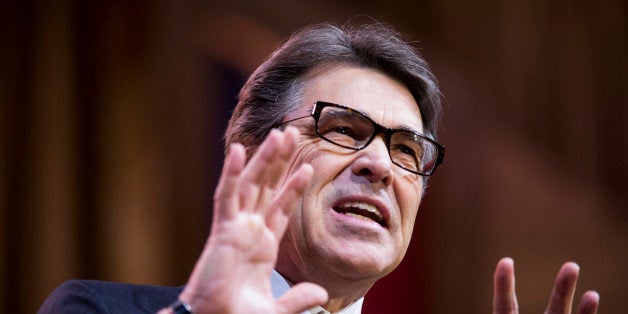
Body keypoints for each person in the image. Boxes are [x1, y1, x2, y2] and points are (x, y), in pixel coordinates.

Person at [39, 21, 600, 314]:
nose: (381, 164)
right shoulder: (93, 309)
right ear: (254, 155)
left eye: (408, 150)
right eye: (343, 131)